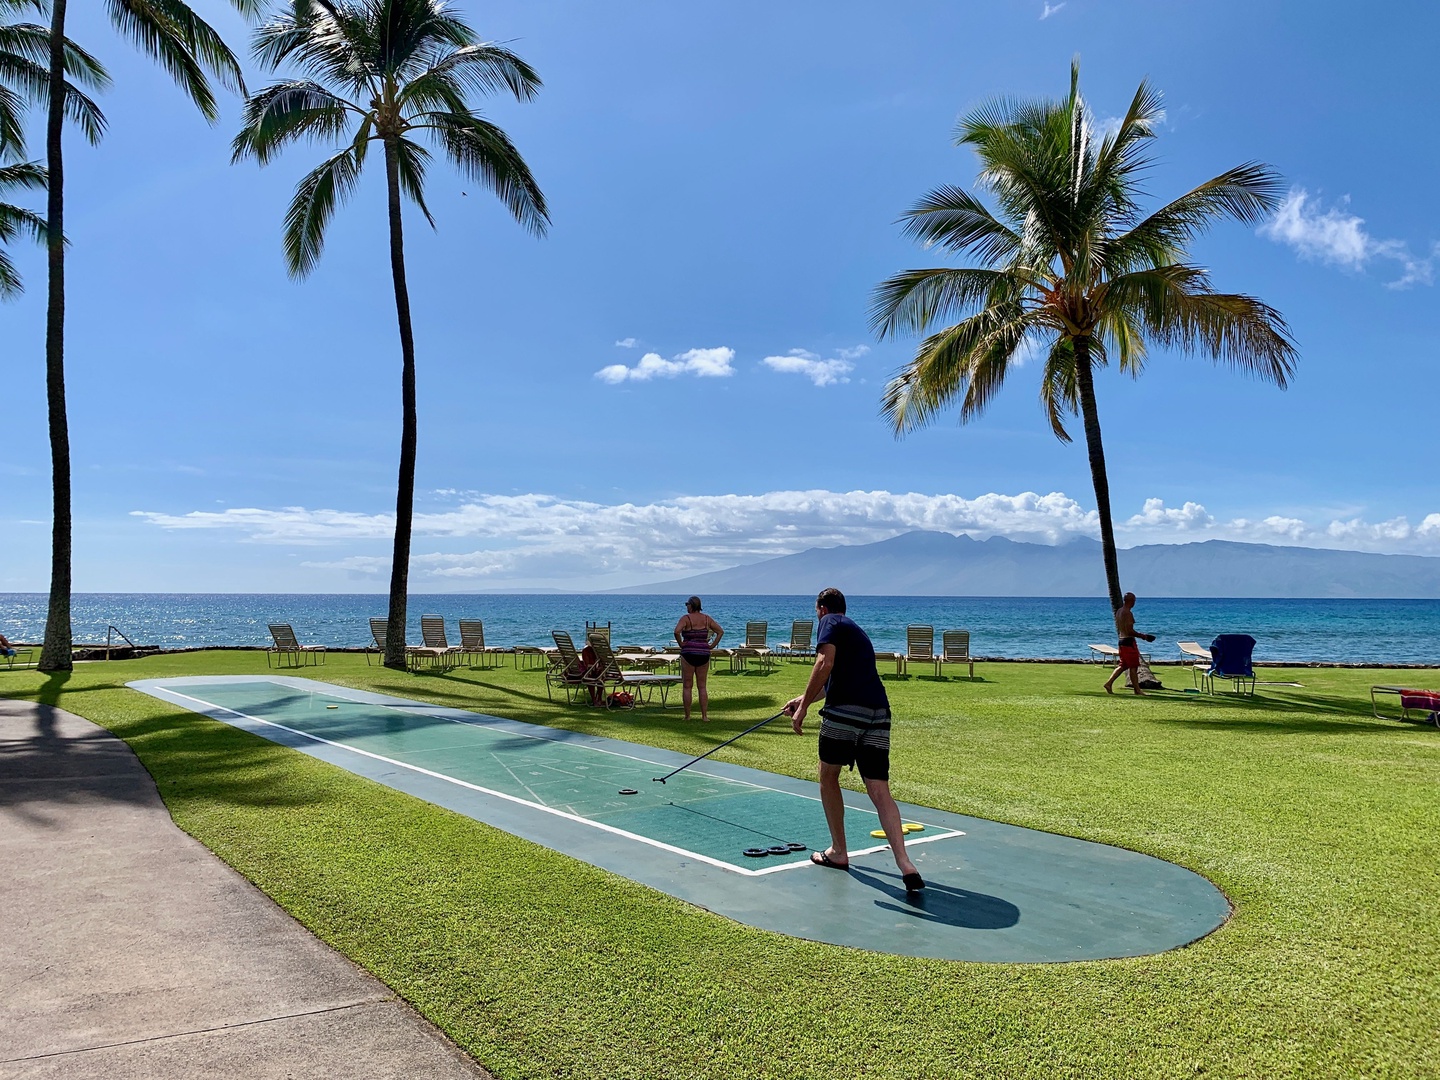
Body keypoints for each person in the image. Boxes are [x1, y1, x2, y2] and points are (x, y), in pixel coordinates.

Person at [783, 588, 924, 893]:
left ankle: (838, 852)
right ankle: (905, 863)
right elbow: (831, 680)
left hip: (846, 714)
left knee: (828, 776)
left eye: (816, 610)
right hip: (878, 714)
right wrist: (801, 698)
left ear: (822, 609)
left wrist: (804, 709)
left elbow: (824, 663)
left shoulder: (829, 621)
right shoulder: (853, 630)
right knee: (879, 789)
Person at [673, 596, 723, 722]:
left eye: (687, 604)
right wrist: (711, 645)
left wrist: (681, 644)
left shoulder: (686, 618)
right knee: (702, 686)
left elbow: (676, 631)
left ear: (691, 605)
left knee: (687, 686)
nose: (686, 607)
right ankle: (704, 716)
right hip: (703, 654)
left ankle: (688, 716)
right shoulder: (706, 619)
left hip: (688, 653)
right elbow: (720, 631)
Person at [1103, 592, 1157, 695]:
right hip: (1128, 642)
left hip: (1121, 641)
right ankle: (1137, 690)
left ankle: (1109, 683)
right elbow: (1129, 631)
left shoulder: (1119, 611)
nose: (1134, 603)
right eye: (1134, 601)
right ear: (1131, 601)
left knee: (1123, 665)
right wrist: (1144, 636)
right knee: (1133, 666)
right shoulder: (1127, 613)